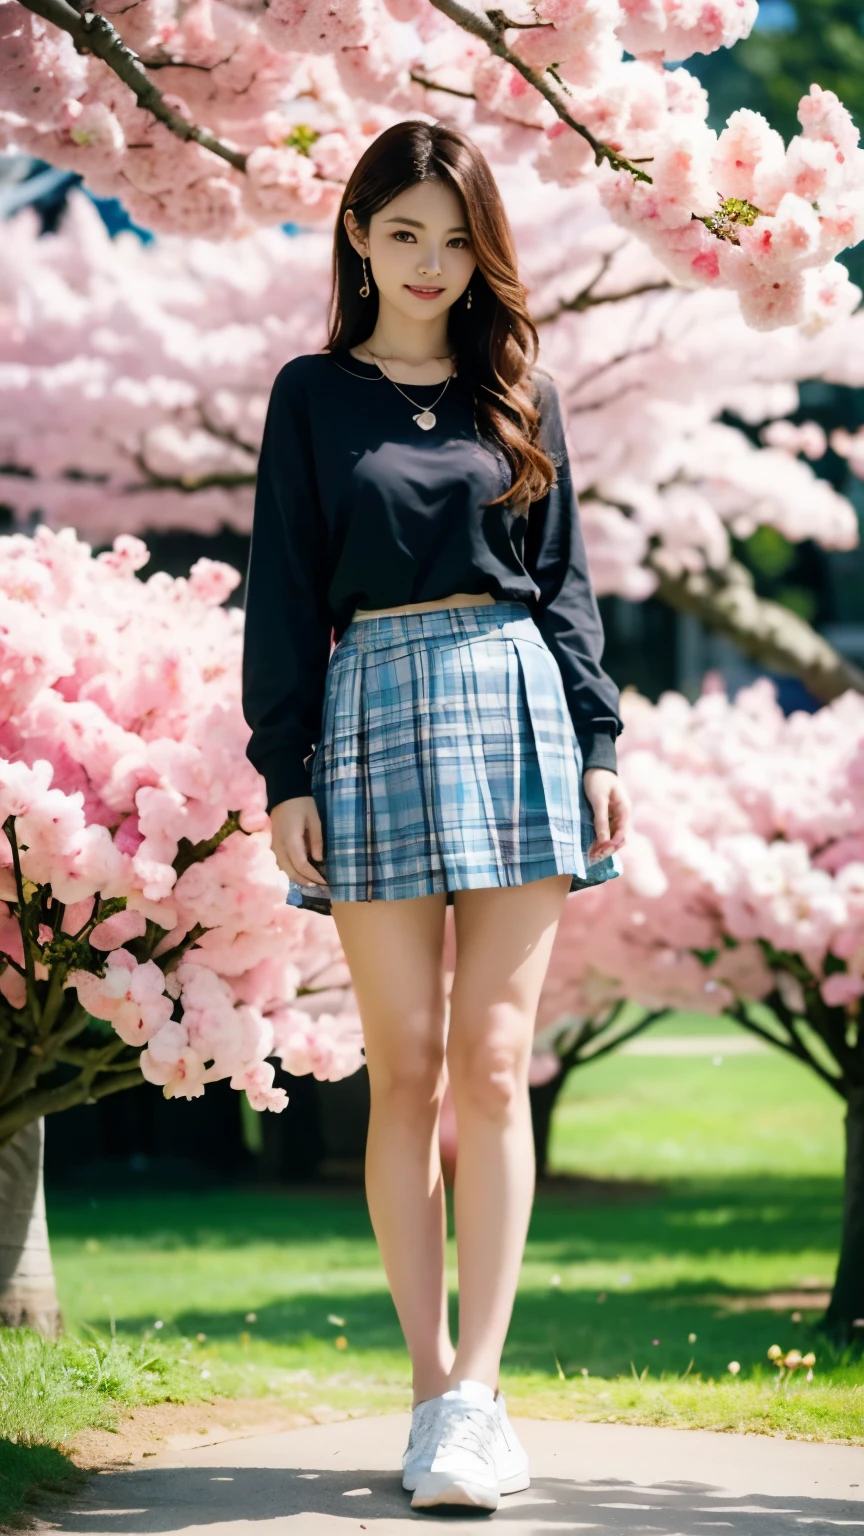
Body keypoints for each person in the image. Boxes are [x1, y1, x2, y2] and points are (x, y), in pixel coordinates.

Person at [241, 118, 630, 1515]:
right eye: (403, 233)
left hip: (516, 701)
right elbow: (283, 591)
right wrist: (282, 772)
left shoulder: (518, 386)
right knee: (402, 1064)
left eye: (455, 238)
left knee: (496, 1057)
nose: (429, 262)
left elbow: (568, 580)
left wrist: (598, 735)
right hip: (372, 712)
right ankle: (427, 1395)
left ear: (485, 251)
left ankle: (482, 1390)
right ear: (357, 236)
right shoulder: (310, 396)